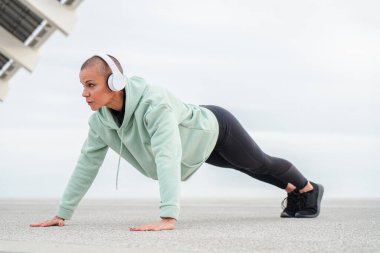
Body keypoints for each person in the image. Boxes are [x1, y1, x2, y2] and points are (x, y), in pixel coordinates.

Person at [30, 54, 324, 231]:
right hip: (196, 148)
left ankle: (309, 190)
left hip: (215, 128)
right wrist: (62, 214)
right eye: (83, 86)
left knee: (259, 163)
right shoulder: (100, 123)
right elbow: (86, 165)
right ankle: (296, 192)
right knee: (248, 168)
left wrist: (168, 216)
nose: (85, 93)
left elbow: (167, 155)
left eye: (91, 85)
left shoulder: (154, 103)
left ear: (115, 82)